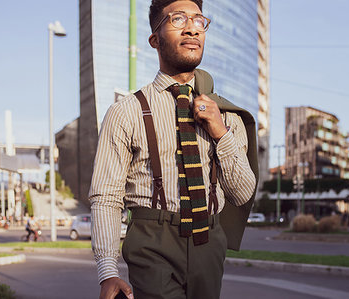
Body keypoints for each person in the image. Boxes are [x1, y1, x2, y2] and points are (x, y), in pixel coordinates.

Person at [89, 1, 257, 298]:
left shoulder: (226, 115)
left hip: (209, 241)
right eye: (178, 19)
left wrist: (220, 132)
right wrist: (108, 271)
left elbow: (242, 194)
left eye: (198, 20)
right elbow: (106, 196)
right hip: (152, 240)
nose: (192, 27)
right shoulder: (125, 111)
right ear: (155, 38)